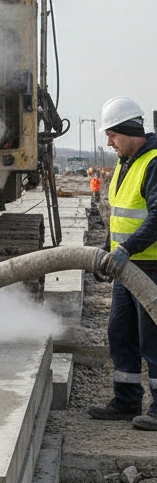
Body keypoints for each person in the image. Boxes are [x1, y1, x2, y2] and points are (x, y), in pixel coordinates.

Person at [88, 96, 157, 431]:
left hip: (150, 267)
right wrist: (106, 250)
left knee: (153, 340)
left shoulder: (153, 162)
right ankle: (127, 400)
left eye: (112, 134)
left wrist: (125, 250)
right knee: (120, 334)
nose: (108, 141)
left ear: (131, 131)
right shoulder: (126, 163)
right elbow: (119, 216)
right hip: (127, 268)